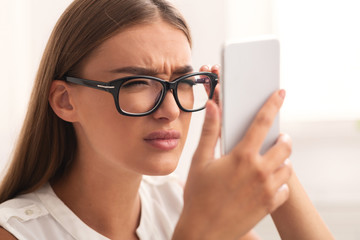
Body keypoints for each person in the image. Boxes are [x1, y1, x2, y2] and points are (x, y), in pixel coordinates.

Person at [0, 0, 334, 239]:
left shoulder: (176, 201)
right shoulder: (17, 231)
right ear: (65, 100)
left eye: (183, 82)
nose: (170, 110)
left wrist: (262, 147)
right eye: (137, 82)